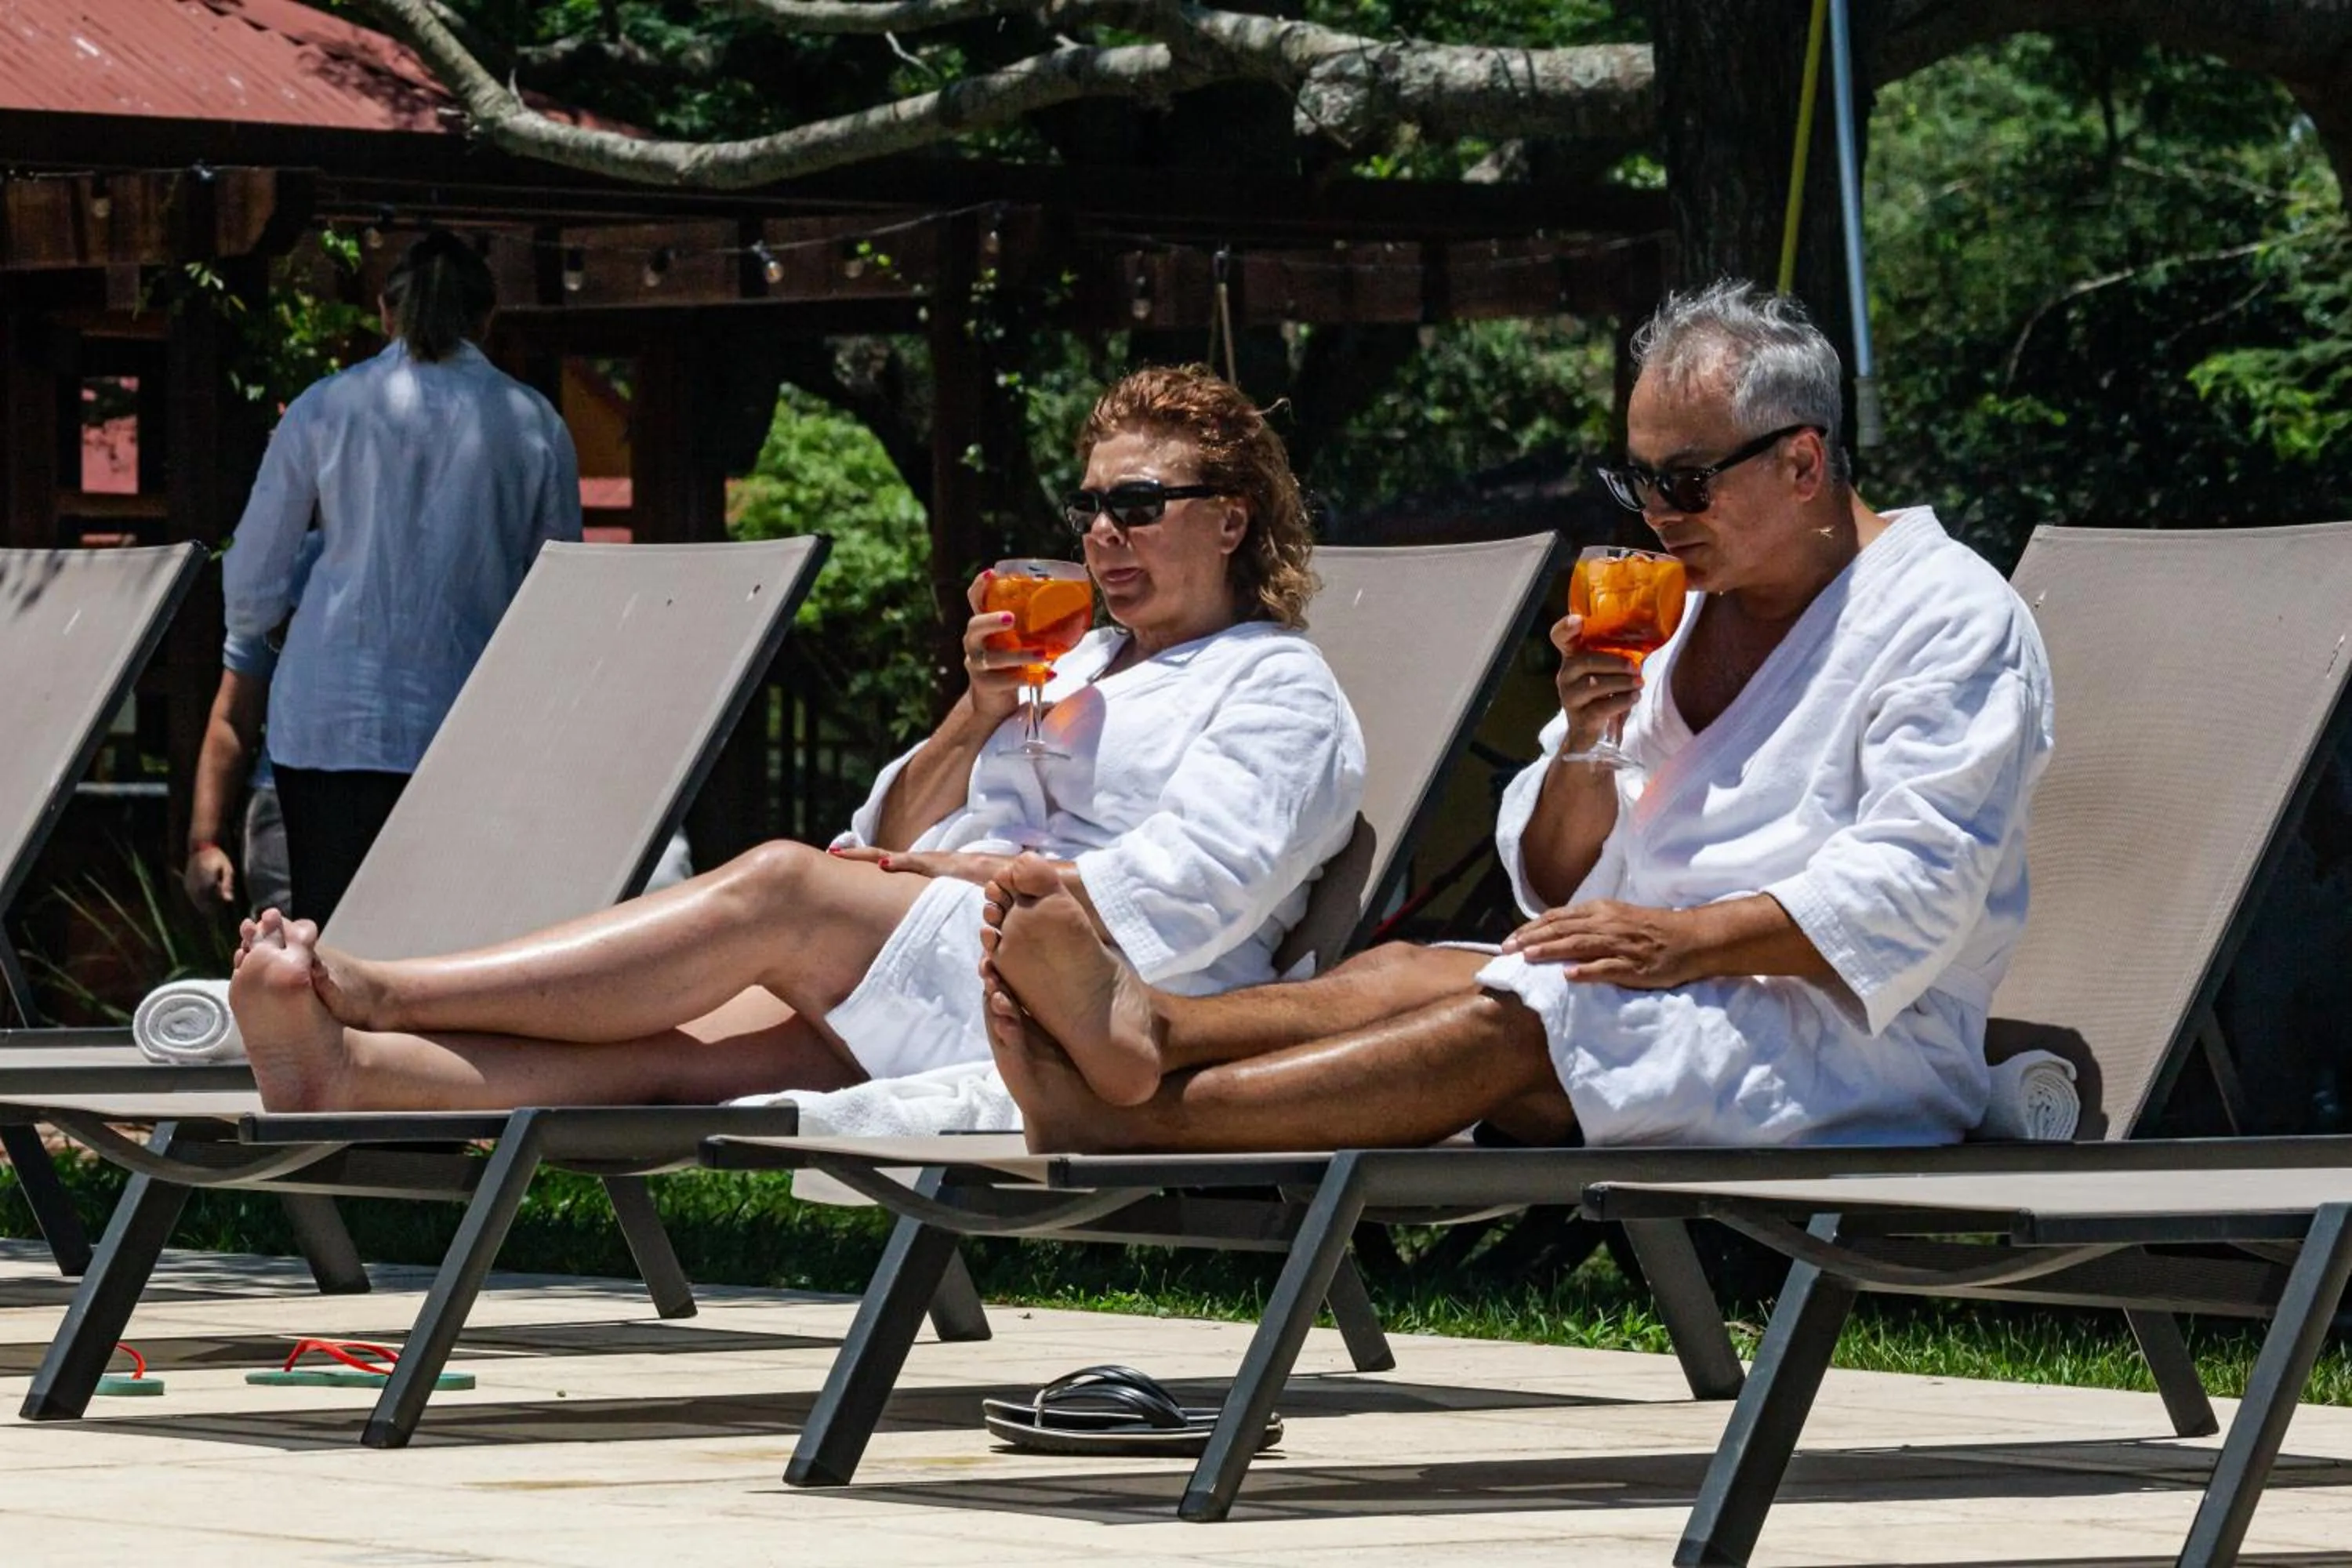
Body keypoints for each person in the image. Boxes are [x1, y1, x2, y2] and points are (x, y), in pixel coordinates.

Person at [975, 281, 2056, 1153]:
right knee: (1409, 971)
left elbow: (1919, 888)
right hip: (1645, 983)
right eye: (1636, 482)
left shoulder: (1948, 620)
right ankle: (1161, 1025)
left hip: (1848, 1044)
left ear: (1804, 463)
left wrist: (1680, 941)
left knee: (1527, 1016)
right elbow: (1550, 876)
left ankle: (1141, 1124)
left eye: (1684, 484)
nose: (1655, 518)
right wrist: (1589, 740)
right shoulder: (1676, 618)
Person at [227, 365, 1366, 1113]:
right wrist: (969, 727)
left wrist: (958, 874)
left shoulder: (1279, 691)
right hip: (949, 952)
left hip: (1101, 984)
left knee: (778, 885)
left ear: (1230, 518)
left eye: (1141, 504)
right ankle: (348, 1072)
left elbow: (1190, 892)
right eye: (1091, 509)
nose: (1105, 535)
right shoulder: (1077, 663)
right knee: (679, 1058)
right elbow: (881, 832)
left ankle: (388, 992)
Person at [220, 230, 582, 924]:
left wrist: (256, 633)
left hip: (328, 712)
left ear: (386, 312)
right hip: (465, 711)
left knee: (325, 926)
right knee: (453, 932)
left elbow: (254, 571)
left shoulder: (324, 408)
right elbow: (560, 587)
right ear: (487, 317)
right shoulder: (534, 422)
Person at [185, 533, 321, 917]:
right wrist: (204, 843)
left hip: (407, 792)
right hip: (284, 803)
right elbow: (233, 717)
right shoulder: (284, 569)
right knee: (289, 963)